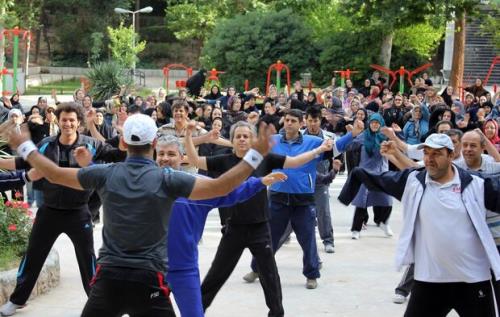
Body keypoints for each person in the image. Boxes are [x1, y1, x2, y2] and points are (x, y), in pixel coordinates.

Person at [4, 112, 273, 317]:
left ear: (122, 141)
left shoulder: (106, 174)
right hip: (150, 281)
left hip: (108, 280)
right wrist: (253, 156)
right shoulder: (169, 179)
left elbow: (53, 174)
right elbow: (222, 186)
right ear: (154, 143)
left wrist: (25, 146)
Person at [339, 133, 500, 317]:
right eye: (427, 153)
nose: (430, 159)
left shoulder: (475, 184)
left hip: (473, 279)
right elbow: (378, 179)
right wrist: (351, 187)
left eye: (437, 154)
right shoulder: (413, 182)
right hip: (430, 280)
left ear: (451, 155)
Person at [185, 120, 336, 314]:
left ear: (253, 140)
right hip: (234, 228)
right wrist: (189, 136)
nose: (241, 139)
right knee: (216, 275)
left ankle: (276, 313)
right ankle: (196, 311)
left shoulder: (264, 159)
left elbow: (295, 161)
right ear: (232, 140)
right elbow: (195, 161)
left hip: (260, 228)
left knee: (270, 275)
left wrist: (318, 150)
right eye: (238, 136)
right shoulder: (223, 160)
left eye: (246, 136)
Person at [0, 102, 125, 316]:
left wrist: (124, 139)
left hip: (79, 212)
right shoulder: (46, 144)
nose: (68, 123)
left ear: (78, 123)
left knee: (88, 260)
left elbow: (118, 156)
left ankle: (99, 305)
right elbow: (23, 162)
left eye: (72, 120)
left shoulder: (91, 144)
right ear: (58, 121)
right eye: (64, 119)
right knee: (33, 256)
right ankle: (17, 300)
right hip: (49, 211)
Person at [155, 134, 286, 317]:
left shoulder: (196, 185)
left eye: (171, 154)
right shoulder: (145, 184)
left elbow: (228, 190)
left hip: (184, 269)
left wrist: (259, 182)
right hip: (151, 267)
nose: (165, 159)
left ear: (181, 157)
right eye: (160, 154)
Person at [250, 109, 364, 289]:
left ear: (301, 124)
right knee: (269, 237)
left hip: (303, 199)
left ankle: (311, 275)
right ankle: (256, 269)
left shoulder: (314, 142)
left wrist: (352, 134)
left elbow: (334, 148)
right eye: (286, 120)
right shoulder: (274, 141)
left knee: (308, 238)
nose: (288, 123)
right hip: (277, 197)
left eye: (293, 121)